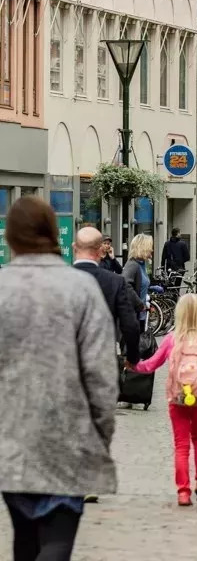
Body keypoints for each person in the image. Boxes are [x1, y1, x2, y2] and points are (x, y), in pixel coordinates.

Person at [0, 196, 117, 557]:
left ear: (10, 236)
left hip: (11, 438)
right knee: (57, 536)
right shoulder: (80, 289)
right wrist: (100, 434)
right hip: (68, 435)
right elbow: (101, 375)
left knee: (25, 533)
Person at [130, 293, 197, 506]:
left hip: (178, 396)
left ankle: (183, 492)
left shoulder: (172, 340)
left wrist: (132, 365)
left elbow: (151, 364)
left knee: (181, 445)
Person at [73, 226, 141, 366]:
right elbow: (130, 325)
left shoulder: (59, 280)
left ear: (74, 248)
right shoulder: (115, 282)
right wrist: (132, 358)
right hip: (103, 360)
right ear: (99, 251)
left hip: (68, 362)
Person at [123, 233, 154, 328]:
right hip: (133, 315)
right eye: (150, 247)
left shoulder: (142, 264)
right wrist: (139, 304)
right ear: (143, 247)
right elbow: (125, 284)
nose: (152, 250)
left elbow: (140, 285)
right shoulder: (133, 265)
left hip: (140, 315)